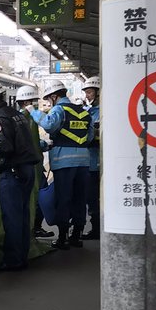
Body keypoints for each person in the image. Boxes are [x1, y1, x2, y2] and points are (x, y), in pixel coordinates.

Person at [0, 78, 39, 271]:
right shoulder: (15, 114)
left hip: (13, 172)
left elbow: (3, 146)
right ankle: (22, 255)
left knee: (12, 217)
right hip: (27, 170)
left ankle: (13, 260)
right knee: (22, 214)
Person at [29, 77, 90, 250]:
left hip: (64, 163)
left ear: (54, 96)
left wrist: (33, 111)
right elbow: (90, 136)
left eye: (49, 98)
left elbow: (48, 124)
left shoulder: (59, 110)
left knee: (64, 198)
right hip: (84, 161)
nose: (49, 101)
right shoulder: (84, 112)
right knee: (80, 199)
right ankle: (76, 236)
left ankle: (62, 237)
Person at [15, 84, 53, 240]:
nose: (37, 104)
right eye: (34, 101)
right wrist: (44, 145)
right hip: (33, 164)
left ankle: (31, 228)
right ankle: (35, 227)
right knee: (40, 195)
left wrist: (44, 145)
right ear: (27, 102)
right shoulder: (28, 118)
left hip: (25, 163)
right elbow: (32, 142)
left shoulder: (18, 117)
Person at [82, 76, 101, 238]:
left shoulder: (104, 111)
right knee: (92, 197)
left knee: (95, 198)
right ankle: (96, 228)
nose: (87, 95)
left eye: (89, 92)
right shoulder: (89, 112)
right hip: (91, 162)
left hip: (99, 163)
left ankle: (98, 229)